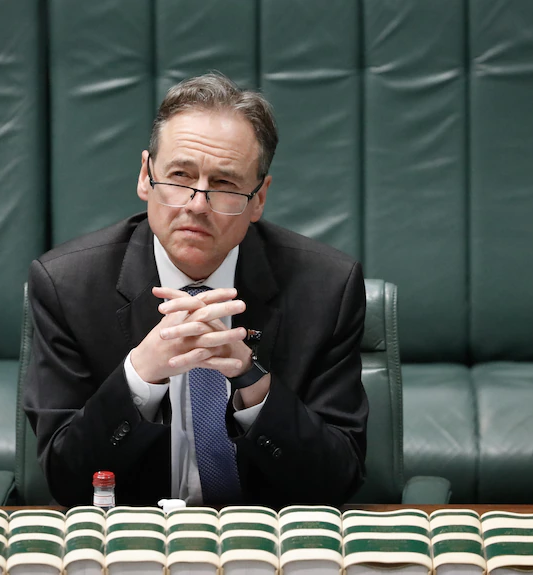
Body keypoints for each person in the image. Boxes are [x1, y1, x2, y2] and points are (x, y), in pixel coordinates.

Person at [24, 72, 368, 508]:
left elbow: (338, 480)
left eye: (224, 184)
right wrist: (140, 376)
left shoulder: (327, 289)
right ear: (146, 177)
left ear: (259, 197)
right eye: (180, 176)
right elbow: (67, 481)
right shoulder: (68, 286)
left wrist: (255, 387)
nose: (196, 204)